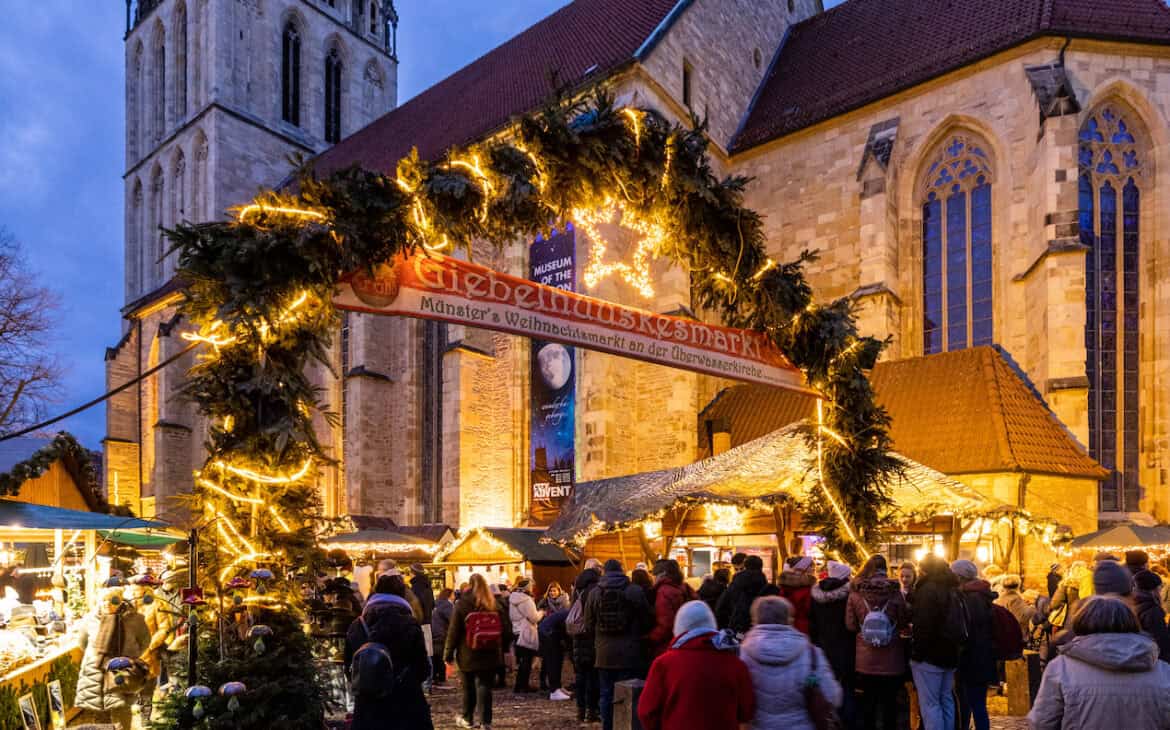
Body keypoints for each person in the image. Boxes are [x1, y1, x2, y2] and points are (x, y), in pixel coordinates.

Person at [1028, 596, 1170, 729]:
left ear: (1080, 623)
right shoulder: (1164, 671)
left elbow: (1042, 722)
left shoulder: (1060, 668)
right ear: (1131, 623)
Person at [637, 600, 756, 730]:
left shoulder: (664, 664)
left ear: (679, 629)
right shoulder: (736, 664)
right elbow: (746, 711)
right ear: (711, 625)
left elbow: (646, 712)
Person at [344, 574, 432, 730]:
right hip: (406, 702)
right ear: (401, 595)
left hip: (368, 705)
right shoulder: (410, 624)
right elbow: (422, 668)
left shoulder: (357, 625)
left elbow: (349, 668)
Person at [584, 559, 653, 730]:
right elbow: (647, 620)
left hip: (604, 653)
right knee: (631, 694)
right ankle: (628, 726)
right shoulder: (634, 590)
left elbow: (588, 623)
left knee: (606, 694)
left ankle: (608, 727)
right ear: (622, 570)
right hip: (630, 652)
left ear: (604, 572)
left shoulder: (595, 593)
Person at [845, 554, 909, 730]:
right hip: (892, 658)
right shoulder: (895, 592)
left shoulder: (855, 593)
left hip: (866, 660)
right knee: (890, 704)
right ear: (885, 568)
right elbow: (903, 621)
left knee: (868, 703)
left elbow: (850, 625)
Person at [74, 586, 151, 729]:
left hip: (123, 670)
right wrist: (98, 658)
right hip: (95, 672)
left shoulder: (135, 620)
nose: (107, 604)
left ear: (121, 601)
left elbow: (145, 642)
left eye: (112, 601)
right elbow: (82, 643)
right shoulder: (90, 619)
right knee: (98, 712)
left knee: (121, 711)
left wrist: (129, 656)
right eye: (103, 601)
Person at [444, 573, 513, 730]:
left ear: (469, 585)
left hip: (468, 652)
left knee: (468, 688)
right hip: (491, 652)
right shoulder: (494, 603)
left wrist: (448, 654)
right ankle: (485, 722)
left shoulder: (462, 604)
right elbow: (507, 630)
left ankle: (468, 719)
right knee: (485, 687)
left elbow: (453, 632)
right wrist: (503, 648)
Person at [910, 554, 961, 730]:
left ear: (924, 570)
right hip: (950, 652)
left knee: (930, 704)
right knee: (946, 699)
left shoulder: (927, 590)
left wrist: (917, 654)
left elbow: (924, 625)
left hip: (930, 655)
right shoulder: (953, 589)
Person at [808, 560, 854, 727]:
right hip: (846, 646)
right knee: (847, 687)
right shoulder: (849, 595)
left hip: (823, 646)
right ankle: (847, 721)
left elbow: (812, 623)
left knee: (826, 686)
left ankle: (828, 720)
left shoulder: (815, 595)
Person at [952, 560, 996, 730]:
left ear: (960, 576)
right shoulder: (982, 594)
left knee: (970, 704)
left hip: (971, 658)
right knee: (977, 704)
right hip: (983, 657)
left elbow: (968, 630)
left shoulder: (970, 598)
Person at [572, 558, 603, 723]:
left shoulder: (577, 588)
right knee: (592, 676)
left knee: (581, 676)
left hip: (578, 635)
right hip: (591, 636)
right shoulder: (595, 589)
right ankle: (592, 711)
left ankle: (580, 711)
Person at [647, 559, 693, 659]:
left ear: (663, 574)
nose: (654, 579)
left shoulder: (664, 591)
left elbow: (666, 623)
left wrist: (650, 638)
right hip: (686, 640)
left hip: (668, 645)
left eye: (655, 575)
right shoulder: (684, 587)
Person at [716, 554, 770, 635]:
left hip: (739, 627)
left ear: (745, 566)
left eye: (740, 569)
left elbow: (721, 607)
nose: (738, 571)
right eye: (736, 569)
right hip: (759, 630)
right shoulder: (765, 585)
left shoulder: (736, 583)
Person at [508, 576, 541, 693]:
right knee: (526, 660)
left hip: (517, 631)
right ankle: (522, 685)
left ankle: (519, 685)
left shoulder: (513, 598)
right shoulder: (526, 600)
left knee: (523, 660)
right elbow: (534, 618)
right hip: (525, 632)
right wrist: (542, 612)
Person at [1132, 568, 1170, 663]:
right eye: (1160, 587)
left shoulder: (1133, 604)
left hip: (1140, 656)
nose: (1161, 590)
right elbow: (1162, 642)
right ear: (1154, 589)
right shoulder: (1153, 610)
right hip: (1155, 660)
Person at [538, 606, 572, 699]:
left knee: (556, 660)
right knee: (554, 661)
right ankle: (554, 690)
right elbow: (568, 633)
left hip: (549, 632)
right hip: (549, 633)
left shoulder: (570, 613)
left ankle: (558, 687)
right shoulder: (571, 615)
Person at [777, 555, 816, 635]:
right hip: (803, 628)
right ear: (802, 568)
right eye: (811, 566)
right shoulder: (807, 588)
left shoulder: (784, 585)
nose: (813, 568)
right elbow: (809, 609)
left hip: (785, 627)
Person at [993, 575, 1037, 641]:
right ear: (1018, 585)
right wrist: (1032, 608)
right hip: (1013, 635)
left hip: (999, 633)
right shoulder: (1015, 599)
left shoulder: (999, 599)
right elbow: (1020, 618)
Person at [431, 588, 455, 687]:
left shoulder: (435, 603)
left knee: (435, 656)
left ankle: (435, 676)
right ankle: (441, 677)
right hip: (441, 633)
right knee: (441, 656)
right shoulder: (447, 605)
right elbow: (452, 620)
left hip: (433, 632)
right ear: (449, 595)